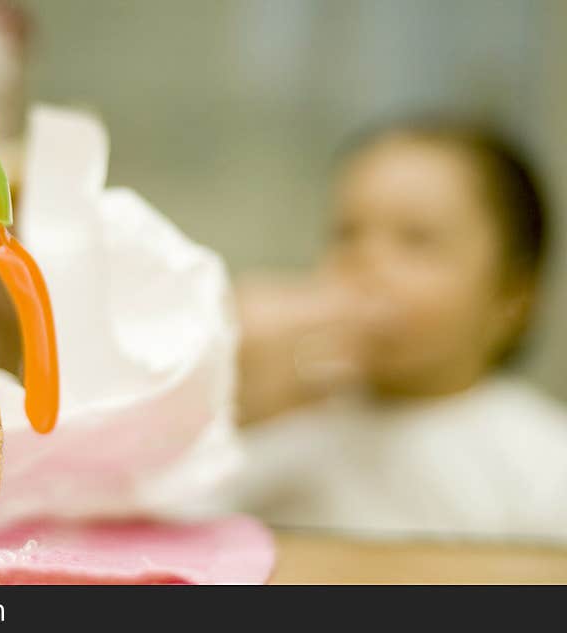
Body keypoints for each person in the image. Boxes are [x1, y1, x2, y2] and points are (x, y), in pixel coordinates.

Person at [235, 119, 567, 542]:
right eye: (347, 234)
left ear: (513, 296)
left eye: (417, 240)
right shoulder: (290, 428)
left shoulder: (545, 461)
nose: (367, 262)